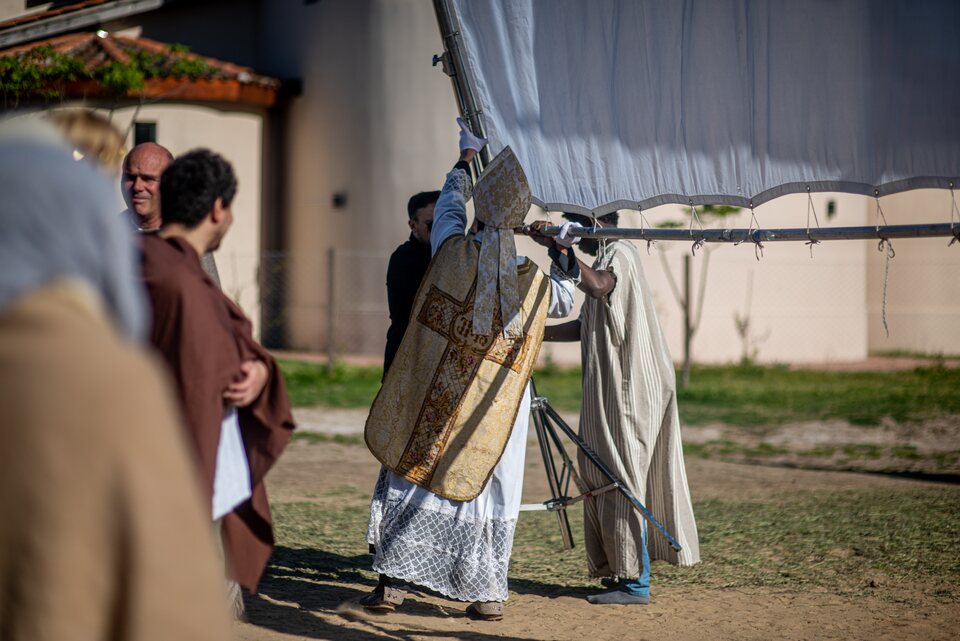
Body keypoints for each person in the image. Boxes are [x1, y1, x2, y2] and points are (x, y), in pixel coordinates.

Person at [0, 122, 231, 640]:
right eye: (132, 176)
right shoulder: (105, 230)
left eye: (151, 178)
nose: (139, 186)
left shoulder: (188, 240)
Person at [362, 120, 577, 621]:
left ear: (478, 216)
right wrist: (560, 249)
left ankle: (393, 583)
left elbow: (450, 205)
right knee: (493, 483)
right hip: (497, 406)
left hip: (440, 388)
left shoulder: (450, 251)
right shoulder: (532, 283)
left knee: (416, 471)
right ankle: (488, 594)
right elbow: (566, 299)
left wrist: (466, 155)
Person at [140, 148, 295, 612]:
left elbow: (231, 345)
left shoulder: (163, 265)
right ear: (217, 209)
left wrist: (260, 370)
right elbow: (205, 366)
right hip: (172, 468)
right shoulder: (175, 280)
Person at [539, 212, 701, 604]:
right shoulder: (603, 259)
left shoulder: (620, 254)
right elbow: (586, 324)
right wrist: (534, 332)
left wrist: (561, 250)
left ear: (597, 221)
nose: (572, 232)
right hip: (611, 386)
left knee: (620, 473)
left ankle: (635, 581)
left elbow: (597, 288)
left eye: (575, 224)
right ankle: (618, 570)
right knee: (599, 467)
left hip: (630, 388)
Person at [121, 142, 221, 284]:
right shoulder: (108, 232)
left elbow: (210, 301)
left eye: (148, 178)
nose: (137, 186)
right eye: (130, 177)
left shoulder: (190, 236)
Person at [383, 190, 440, 376]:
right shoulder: (404, 259)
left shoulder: (451, 253)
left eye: (443, 222)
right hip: (408, 361)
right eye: (431, 225)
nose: (438, 230)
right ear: (412, 225)